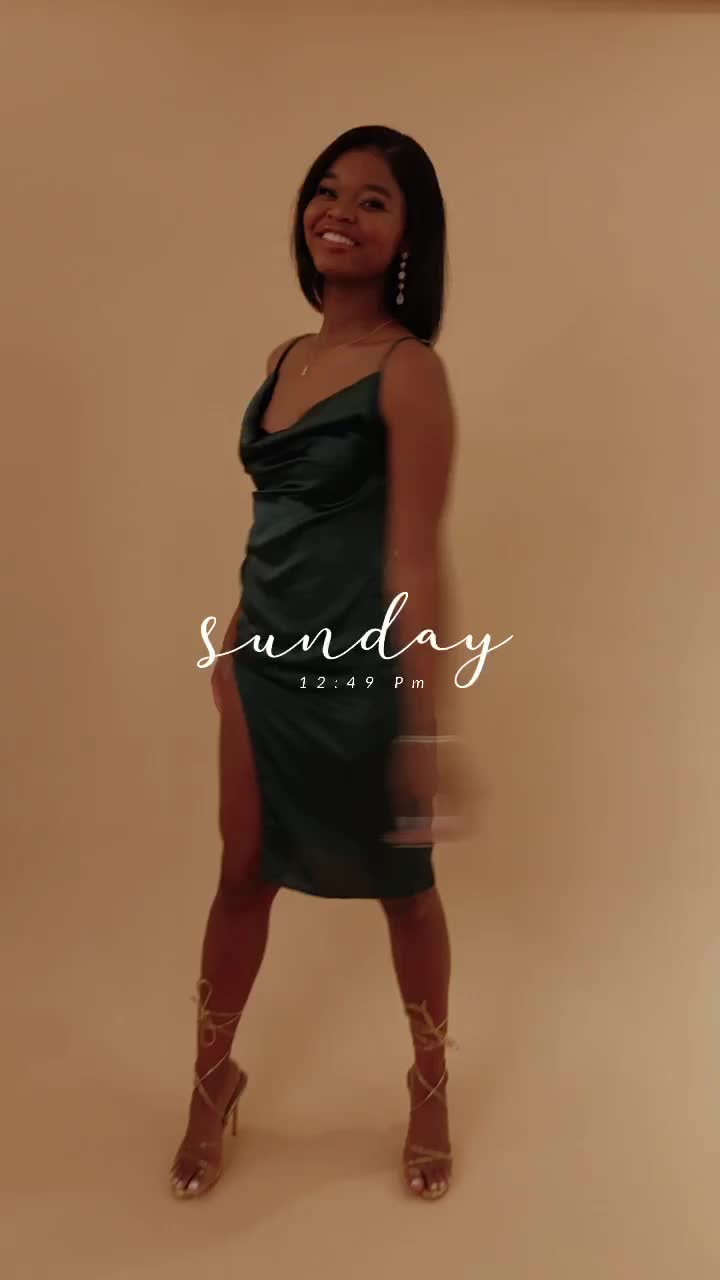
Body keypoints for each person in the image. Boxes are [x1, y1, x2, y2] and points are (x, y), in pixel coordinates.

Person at [170, 124, 461, 1204]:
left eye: (373, 200)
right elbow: (277, 519)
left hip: (364, 677)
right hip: (263, 669)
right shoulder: (283, 360)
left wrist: (427, 726)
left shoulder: (411, 372)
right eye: (327, 190)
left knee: (406, 890)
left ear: (407, 238)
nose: (340, 211)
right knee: (241, 874)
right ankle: (212, 1081)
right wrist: (233, 634)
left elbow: (415, 553)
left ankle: (430, 1084)